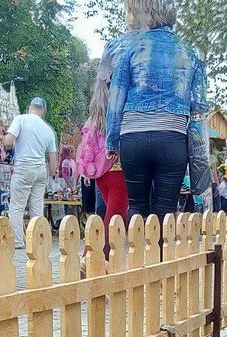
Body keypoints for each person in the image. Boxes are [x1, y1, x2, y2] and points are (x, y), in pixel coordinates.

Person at [106, 0, 208, 220]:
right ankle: (163, 254)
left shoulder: (130, 49)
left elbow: (115, 101)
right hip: (173, 139)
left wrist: (112, 142)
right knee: (166, 211)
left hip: (133, 139)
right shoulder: (191, 53)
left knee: (136, 207)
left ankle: (134, 254)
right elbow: (199, 106)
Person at [79, 36, 130, 256]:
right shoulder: (123, 100)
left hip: (100, 173)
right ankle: (93, 260)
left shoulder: (98, 104)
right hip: (118, 169)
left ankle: (91, 257)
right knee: (113, 220)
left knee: (104, 216)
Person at [4, 97, 59, 248]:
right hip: (40, 170)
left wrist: (5, 145)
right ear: (44, 111)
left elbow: (8, 142)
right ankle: (38, 241)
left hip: (23, 167)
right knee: (37, 207)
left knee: (17, 206)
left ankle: (17, 242)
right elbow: (53, 162)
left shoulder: (20, 119)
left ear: (29, 107)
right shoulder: (48, 130)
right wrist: (50, 176)